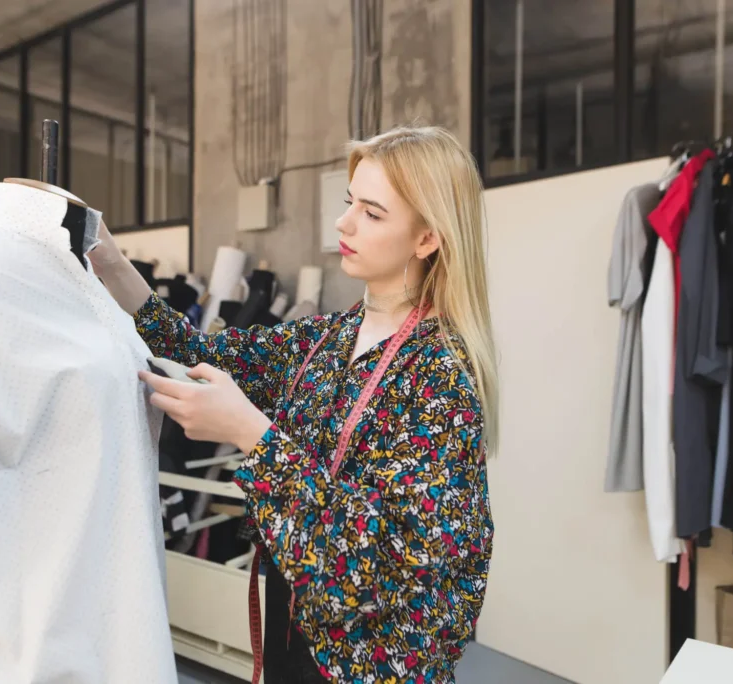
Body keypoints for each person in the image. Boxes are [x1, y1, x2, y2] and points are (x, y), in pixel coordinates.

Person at [89, 125, 498, 684]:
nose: (343, 222)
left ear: (427, 238)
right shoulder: (326, 340)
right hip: (293, 630)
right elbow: (198, 352)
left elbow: (374, 567)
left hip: (368, 663)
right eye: (350, 202)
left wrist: (251, 433)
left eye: (372, 214)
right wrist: (110, 262)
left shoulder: (441, 380)